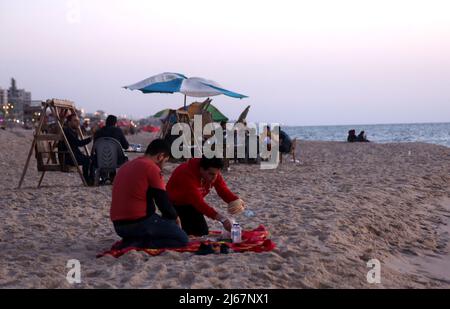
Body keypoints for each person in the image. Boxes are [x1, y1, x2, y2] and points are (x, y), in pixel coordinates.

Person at [110, 139, 188, 249]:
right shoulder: (151, 167)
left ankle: (134, 239)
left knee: (162, 222)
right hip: (138, 223)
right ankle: (137, 244)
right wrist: (175, 218)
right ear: (161, 156)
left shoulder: (126, 166)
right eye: (165, 161)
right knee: (182, 239)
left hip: (119, 226)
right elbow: (163, 202)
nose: (163, 166)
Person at [166, 157, 245, 236]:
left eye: (217, 174)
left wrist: (235, 200)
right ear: (201, 169)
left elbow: (222, 189)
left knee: (202, 232)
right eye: (211, 174)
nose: (214, 178)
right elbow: (199, 203)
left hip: (191, 204)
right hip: (174, 204)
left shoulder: (213, 172)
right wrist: (223, 220)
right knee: (182, 235)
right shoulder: (186, 174)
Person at [59, 114, 93, 184]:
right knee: (87, 160)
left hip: (73, 154)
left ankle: (90, 179)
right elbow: (78, 143)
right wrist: (90, 139)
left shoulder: (72, 131)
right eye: (75, 121)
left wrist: (82, 155)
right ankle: (87, 180)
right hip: (68, 157)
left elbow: (75, 146)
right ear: (69, 122)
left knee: (92, 159)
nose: (77, 122)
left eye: (77, 120)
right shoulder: (67, 131)